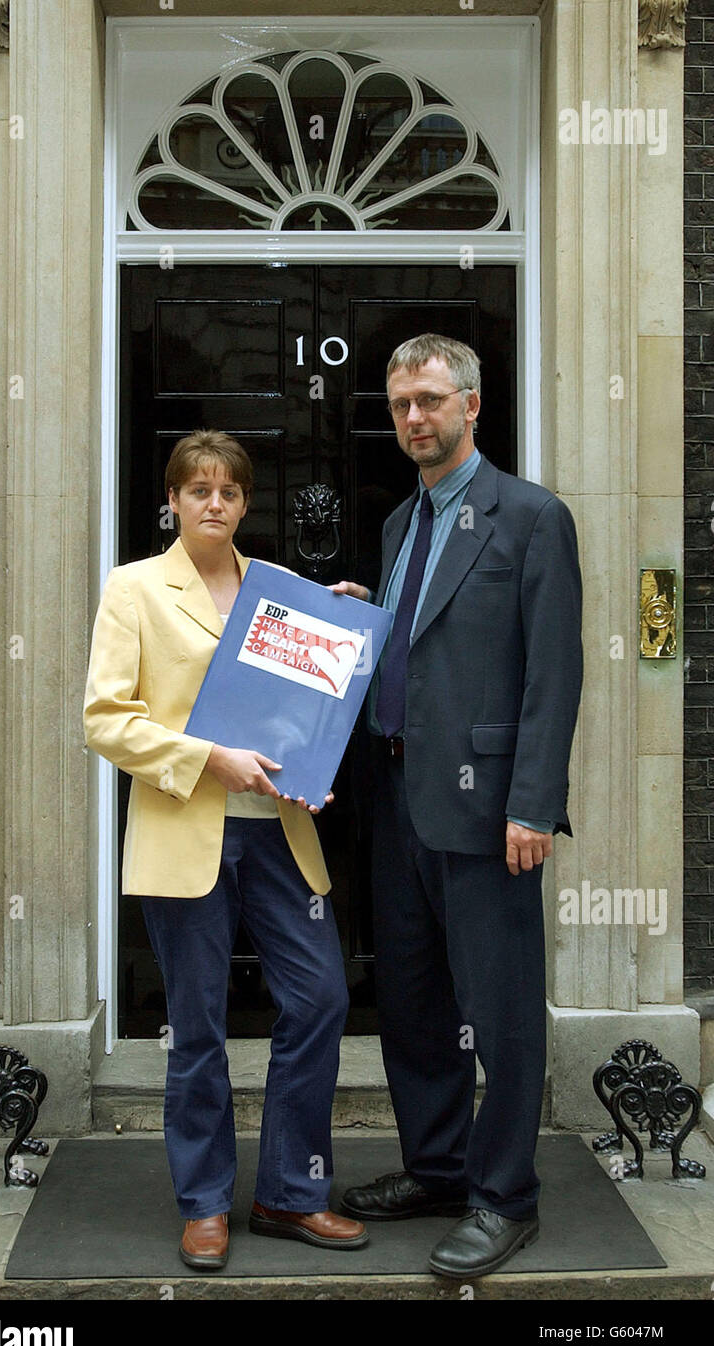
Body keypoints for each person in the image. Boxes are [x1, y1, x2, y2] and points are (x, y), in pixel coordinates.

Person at [83, 429, 368, 1270]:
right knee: (198, 1027)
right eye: (197, 489)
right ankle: (205, 1204)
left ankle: (290, 1192)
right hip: (184, 835)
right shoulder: (134, 588)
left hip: (279, 835)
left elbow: (304, 703)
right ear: (170, 500)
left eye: (230, 491)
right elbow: (105, 718)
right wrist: (208, 757)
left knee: (319, 1001)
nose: (215, 503)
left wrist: (338, 629)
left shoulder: (278, 589)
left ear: (246, 503)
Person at [329, 335, 583, 1277]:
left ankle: (505, 1195)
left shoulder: (529, 517)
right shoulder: (401, 526)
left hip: (488, 814)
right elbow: (426, 649)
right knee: (415, 1002)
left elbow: (554, 675)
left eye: (430, 400)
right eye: (399, 404)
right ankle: (437, 1168)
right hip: (397, 801)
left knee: (502, 1006)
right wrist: (364, 622)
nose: (412, 419)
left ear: (472, 405)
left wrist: (533, 805)